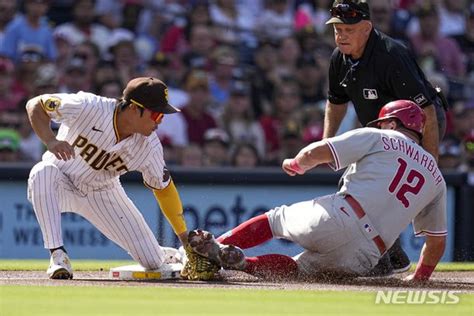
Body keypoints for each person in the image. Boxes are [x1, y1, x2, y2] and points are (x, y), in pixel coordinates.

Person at [187, 100, 447, 282]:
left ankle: (213, 248)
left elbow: (317, 152)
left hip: (342, 216)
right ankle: (243, 264)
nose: (380, 126)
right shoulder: (436, 176)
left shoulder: (380, 136)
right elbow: (436, 241)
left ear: (391, 122)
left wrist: (296, 164)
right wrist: (420, 277)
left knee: (276, 219)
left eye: (383, 123)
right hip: (366, 255)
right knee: (299, 270)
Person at [25, 77, 218, 280]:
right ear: (135, 108)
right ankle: (57, 256)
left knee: (152, 262)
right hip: (59, 182)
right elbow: (36, 104)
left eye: (163, 115)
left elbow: (164, 190)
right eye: (156, 114)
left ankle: (167, 254)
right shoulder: (89, 107)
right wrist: (50, 140)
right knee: (42, 172)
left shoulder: (149, 146)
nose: (160, 121)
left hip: (102, 192)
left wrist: (184, 239)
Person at [322, 0, 448, 275]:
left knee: (366, 186)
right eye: (337, 29)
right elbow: (336, 102)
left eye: (348, 29)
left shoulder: (391, 55)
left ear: (367, 28)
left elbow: (426, 109)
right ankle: (392, 258)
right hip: (381, 131)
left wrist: (429, 163)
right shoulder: (339, 59)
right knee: (360, 186)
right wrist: (326, 140)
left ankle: (387, 259)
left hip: (420, 126)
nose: (341, 35)